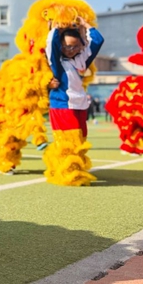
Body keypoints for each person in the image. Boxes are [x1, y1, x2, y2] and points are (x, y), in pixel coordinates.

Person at [46, 17, 104, 182]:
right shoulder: (57, 61)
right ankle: (68, 172)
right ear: (61, 46)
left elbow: (98, 40)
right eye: (67, 46)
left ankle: (69, 167)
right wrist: (56, 29)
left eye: (75, 46)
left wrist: (85, 26)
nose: (71, 50)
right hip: (62, 104)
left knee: (80, 139)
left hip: (80, 105)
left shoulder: (82, 60)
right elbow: (51, 45)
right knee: (68, 140)